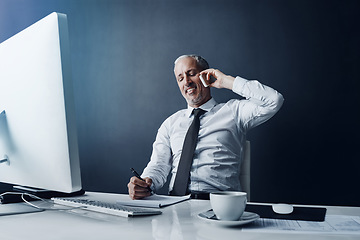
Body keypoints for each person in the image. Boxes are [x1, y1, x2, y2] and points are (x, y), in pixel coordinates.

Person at [128, 54, 284, 200]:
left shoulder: (233, 112)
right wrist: (146, 182)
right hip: (175, 204)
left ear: (206, 75)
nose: (186, 82)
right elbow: (158, 166)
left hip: (219, 205)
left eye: (191, 73)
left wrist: (225, 81)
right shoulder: (170, 123)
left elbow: (273, 100)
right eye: (180, 78)